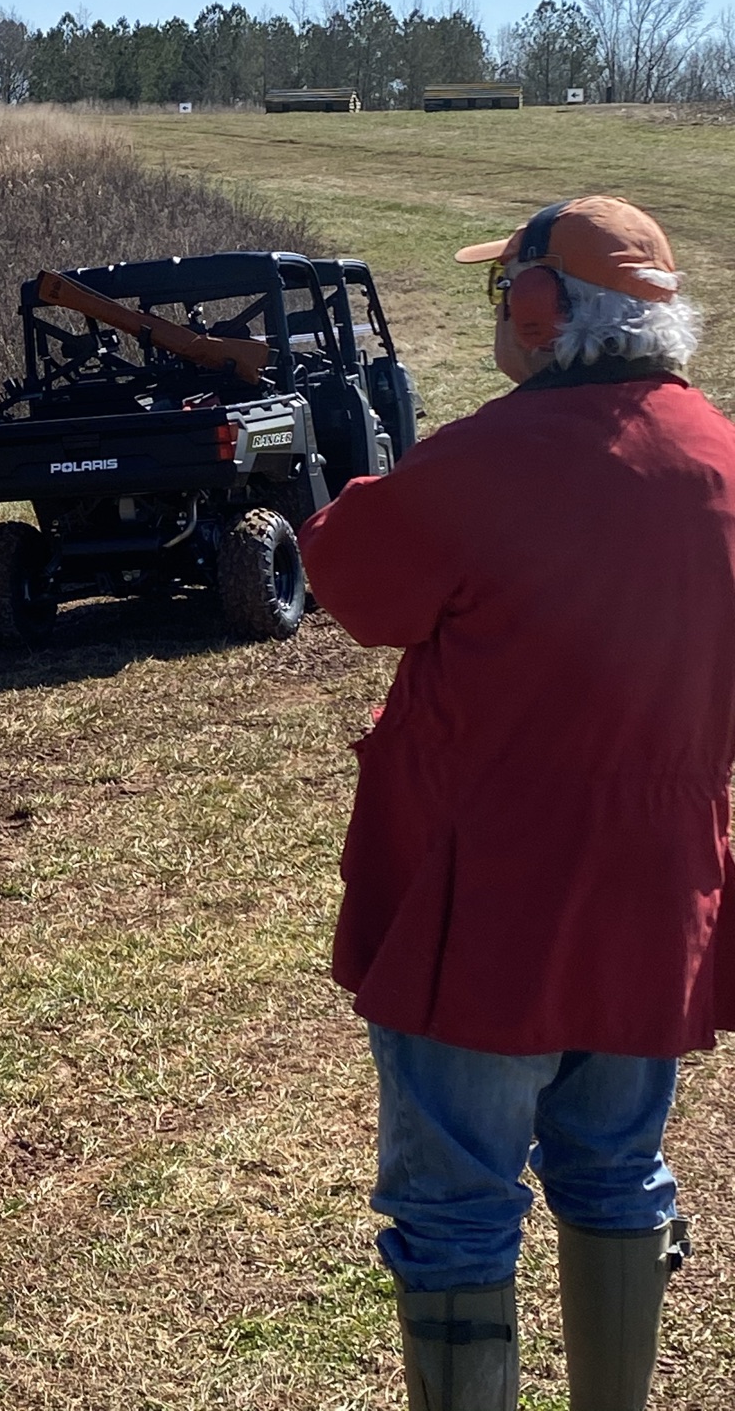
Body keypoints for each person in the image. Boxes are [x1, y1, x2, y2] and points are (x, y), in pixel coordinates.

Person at [296, 196, 735, 1411]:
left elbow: (354, 584)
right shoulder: (725, 459)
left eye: (508, 292)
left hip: (491, 901)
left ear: (540, 312)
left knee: (455, 1207)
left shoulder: (489, 458)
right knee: (616, 1171)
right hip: (656, 900)